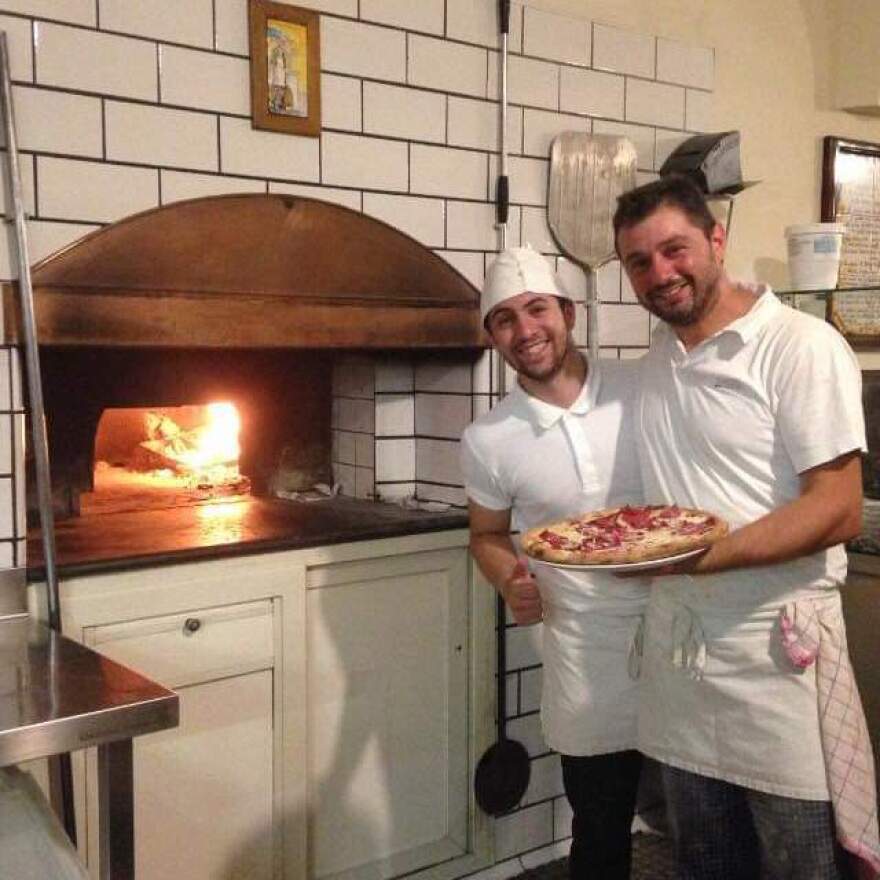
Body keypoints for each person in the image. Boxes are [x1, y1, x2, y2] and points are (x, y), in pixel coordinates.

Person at [613, 174, 880, 880]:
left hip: (776, 658)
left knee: (801, 863)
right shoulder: (658, 364)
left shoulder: (798, 346)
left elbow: (838, 506)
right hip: (684, 658)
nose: (660, 274)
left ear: (717, 240)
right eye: (639, 262)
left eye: (675, 250)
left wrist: (702, 558)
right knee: (705, 863)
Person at [460, 246, 649, 879]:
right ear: (493, 337)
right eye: (505, 320)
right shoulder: (488, 437)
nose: (525, 330)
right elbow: (485, 534)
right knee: (600, 825)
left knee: (701, 815)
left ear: (568, 311)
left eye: (537, 309)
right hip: (582, 648)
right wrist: (508, 579)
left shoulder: (639, 386)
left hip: (681, 627)